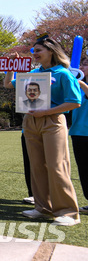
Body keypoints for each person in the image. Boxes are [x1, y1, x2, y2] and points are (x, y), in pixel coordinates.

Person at [4, 36, 82, 226]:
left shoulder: (63, 73)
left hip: (52, 121)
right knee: (37, 165)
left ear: (51, 51)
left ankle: (68, 212)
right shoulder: (33, 73)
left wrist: (46, 111)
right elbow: (8, 84)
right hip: (30, 121)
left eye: (39, 50)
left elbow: (75, 101)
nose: (35, 54)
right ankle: (42, 207)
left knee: (57, 165)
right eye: (34, 51)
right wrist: (11, 67)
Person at [69, 59, 88, 213]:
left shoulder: (82, 86)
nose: (81, 67)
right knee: (83, 169)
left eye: (85, 65)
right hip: (78, 133)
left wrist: (79, 82)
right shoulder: (78, 87)